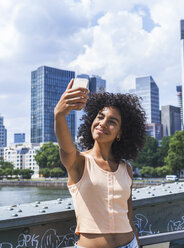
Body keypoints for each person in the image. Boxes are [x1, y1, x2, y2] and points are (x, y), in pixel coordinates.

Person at [54, 79, 146, 248]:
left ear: (120, 133)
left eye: (112, 122)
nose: (103, 123)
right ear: (92, 121)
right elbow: (66, 149)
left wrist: (137, 244)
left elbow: (128, 213)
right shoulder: (79, 161)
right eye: (100, 117)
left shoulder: (126, 169)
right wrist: (59, 115)